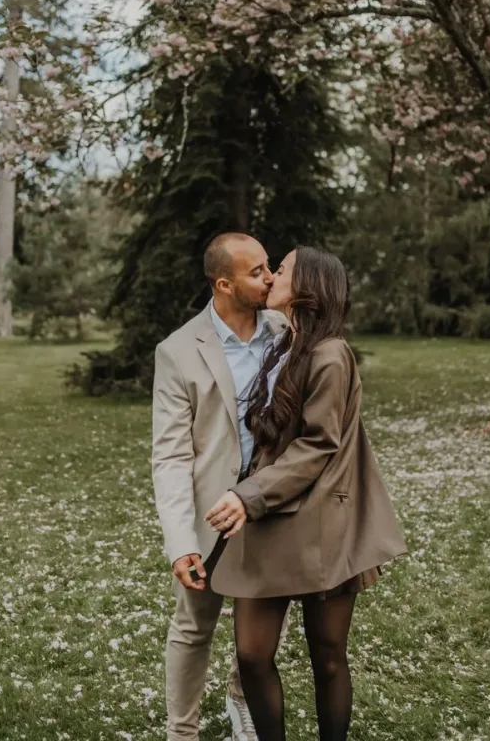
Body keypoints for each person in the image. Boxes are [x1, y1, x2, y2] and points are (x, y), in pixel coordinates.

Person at [205, 245, 407, 741]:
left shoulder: (331, 354)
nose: (271, 276)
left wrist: (248, 495)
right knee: (252, 654)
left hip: (322, 522)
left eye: (284, 269)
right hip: (270, 513)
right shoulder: (284, 345)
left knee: (329, 655)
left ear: (309, 287)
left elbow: (320, 445)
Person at [152, 232, 288, 741]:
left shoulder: (285, 331)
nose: (270, 277)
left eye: (269, 266)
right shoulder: (178, 351)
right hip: (210, 516)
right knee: (193, 628)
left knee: (258, 634)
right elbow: (169, 456)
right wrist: (180, 542)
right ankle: (181, 732)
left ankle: (242, 708)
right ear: (224, 283)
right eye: (257, 272)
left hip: (271, 508)